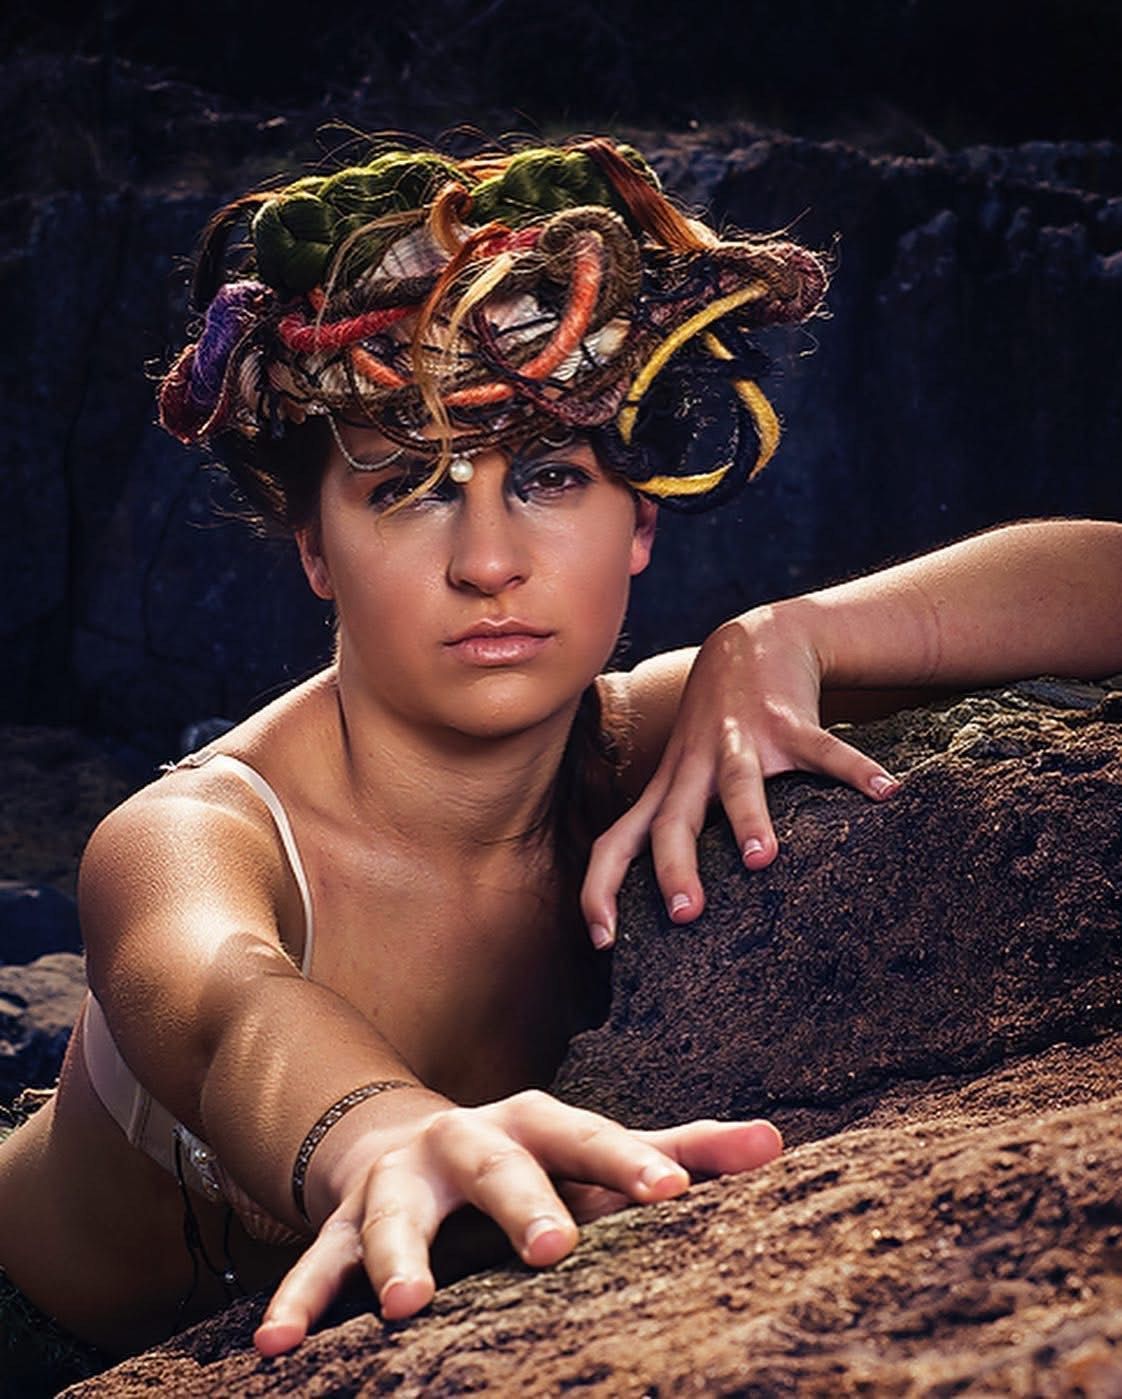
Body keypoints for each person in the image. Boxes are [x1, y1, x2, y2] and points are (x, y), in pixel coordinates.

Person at [1, 136, 1119, 1396]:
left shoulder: (643, 733)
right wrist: (386, 1138)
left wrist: (792, 633)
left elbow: (1104, 579)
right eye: (411, 488)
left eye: (548, 477)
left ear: (639, 519)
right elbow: (225, 1007)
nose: (489, 560)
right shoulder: (197, 835)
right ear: (314, 546)